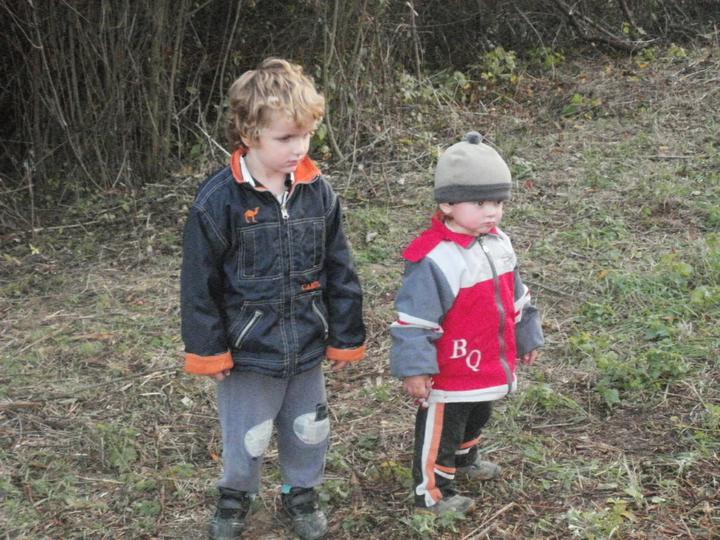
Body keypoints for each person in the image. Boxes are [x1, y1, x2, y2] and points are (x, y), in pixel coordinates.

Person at [180, 58, 366, 540]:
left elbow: (340, 267)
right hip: (248, 350)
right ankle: (236, 496)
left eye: (306, 136)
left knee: (308, 427)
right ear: (250, 132)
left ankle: (300, 492)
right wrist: (208, 349)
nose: (298, 148)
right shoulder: (218, 201)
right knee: (248, 434)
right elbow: (199, 283)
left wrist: (345, 335)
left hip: (306, 341)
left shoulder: (318, 193)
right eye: (285, 138)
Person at [390, 131, 544, 515]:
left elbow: (516, 295)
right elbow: (414, 320)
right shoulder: (434, 258)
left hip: (487, 358)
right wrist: (416, 368)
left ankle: (464, 460)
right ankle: (433, 492)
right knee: (444, 427)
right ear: (447, 204)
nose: (492, 212)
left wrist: (527, 334)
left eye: (498, 202)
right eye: (479, 203)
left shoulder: (499, 242)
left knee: (478, 413)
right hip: (450, 367)